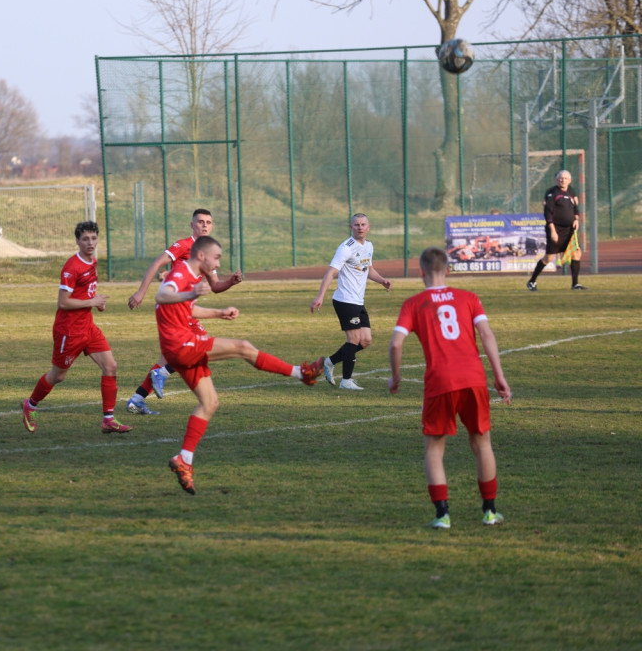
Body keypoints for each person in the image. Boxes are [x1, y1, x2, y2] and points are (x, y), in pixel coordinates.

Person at [157, 235, 322, 495]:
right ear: (201, 256)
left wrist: (219, 313)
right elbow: (163, 294)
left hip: (182, 344)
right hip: (180, 344)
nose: (218, 264)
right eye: (217, 258)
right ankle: (302, 373)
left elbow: (187, 309)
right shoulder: (181, 273)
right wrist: (190, 292)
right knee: (243, 347)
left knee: (210, 403)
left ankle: (184, 460)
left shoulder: (192, 276)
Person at [387, 247, 512, 529]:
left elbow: (396, 343)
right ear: (449, 270)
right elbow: (487, 334)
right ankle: (490, 511)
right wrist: (499, 375)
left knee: (434, 448)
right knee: (481, 443)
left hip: (440, 381)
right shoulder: (469, 298)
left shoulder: (413, 303)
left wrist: (395, 377)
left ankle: (443, 515)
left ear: (420, 272)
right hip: (474, 378)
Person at [125, 208, 242, 415]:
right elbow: (157, 263)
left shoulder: (207, 252)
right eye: (200, 222)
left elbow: (215, 286)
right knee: (198, 347)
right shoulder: (184, 245)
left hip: (186, 309)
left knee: (170, 356)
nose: (205, 225)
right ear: (192, 225)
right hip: (174, 306)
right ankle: (160, 374)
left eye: (208, 222)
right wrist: (141, 292)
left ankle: (137, 399)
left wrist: (231, 282)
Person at [21, 221, 133, 435]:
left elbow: (86, 292)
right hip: (68, 331)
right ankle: (31, 404)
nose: (90, 243)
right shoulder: (71, 267)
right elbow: (63, 302)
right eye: (85, 239)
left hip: (87, 327)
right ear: (77, 241)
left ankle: (108, 419)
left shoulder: (93, 261)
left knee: (110, 366)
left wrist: (96, 302)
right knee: (58, 376)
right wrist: (91, 302)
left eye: (93, 238)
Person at [310, 213, 392, 390]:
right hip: (345, 300)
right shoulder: (345, 248)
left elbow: (368, 269)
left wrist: (382, 280)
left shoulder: (368, 245)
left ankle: (329, 361)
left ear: (369, 227)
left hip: (358, 300)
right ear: (351, 227)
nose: (360, 227)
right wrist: (320, 296)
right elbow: (331, 272)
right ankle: (346, 380)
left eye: (363, 224)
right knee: (353, 340)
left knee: (365, 341)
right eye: (356, 225)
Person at [527, 170, 585, 291]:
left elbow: (575, 208)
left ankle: (575, 284)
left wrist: (576, 219)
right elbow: (548, 213)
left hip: (569, 230)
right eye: (560, 178)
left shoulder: (571, 192)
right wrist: (552, 231)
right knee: (548, 258)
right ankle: (532, 281)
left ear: (570, 180)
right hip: (556, 229)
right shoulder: (552, 193)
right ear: (556, 180)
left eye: (565, 178)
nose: (562, 180)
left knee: (576, 253)